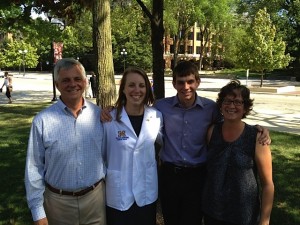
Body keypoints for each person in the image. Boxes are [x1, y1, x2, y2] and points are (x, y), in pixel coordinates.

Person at [101, 61, 270, 225]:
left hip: (197, 177)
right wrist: (110, 109)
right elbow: (137, 112)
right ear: (174, 84)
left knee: (192, 220)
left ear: (197, 82)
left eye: (190, 81)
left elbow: (230, 122)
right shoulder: (161, 107)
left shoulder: (210, 108)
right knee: (171, 220)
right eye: (180, 82)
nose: (186, 87)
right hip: (169, 176)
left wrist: (257, 129)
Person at [24, 58, 106, 225]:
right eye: (66, 80)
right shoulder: (42, 121)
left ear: (85, 82)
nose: (72, 84)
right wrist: (38, 213)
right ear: (57, 85)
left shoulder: (101, 116)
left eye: (77, 79)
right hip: (58, 204)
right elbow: (34, 169)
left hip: (95, 201)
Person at [202, 80, 274, 225]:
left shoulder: (257, 137)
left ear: (246, 108)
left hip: (244, 216)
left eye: (238, 102)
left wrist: (265, 220)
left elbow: (268, 185)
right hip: (212, 213)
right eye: (227, 101)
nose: (232, 106)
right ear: (221, 105)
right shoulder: (212, 132)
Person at [103, 67, 163, 225]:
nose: (137, 90)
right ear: (123, 88)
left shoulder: (156, 117)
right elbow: (102, 155)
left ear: (147, 89)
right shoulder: (109, 120)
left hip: (146, 193)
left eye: (142, 86)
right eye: (131, 85)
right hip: (119, 195)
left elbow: (164, 145)